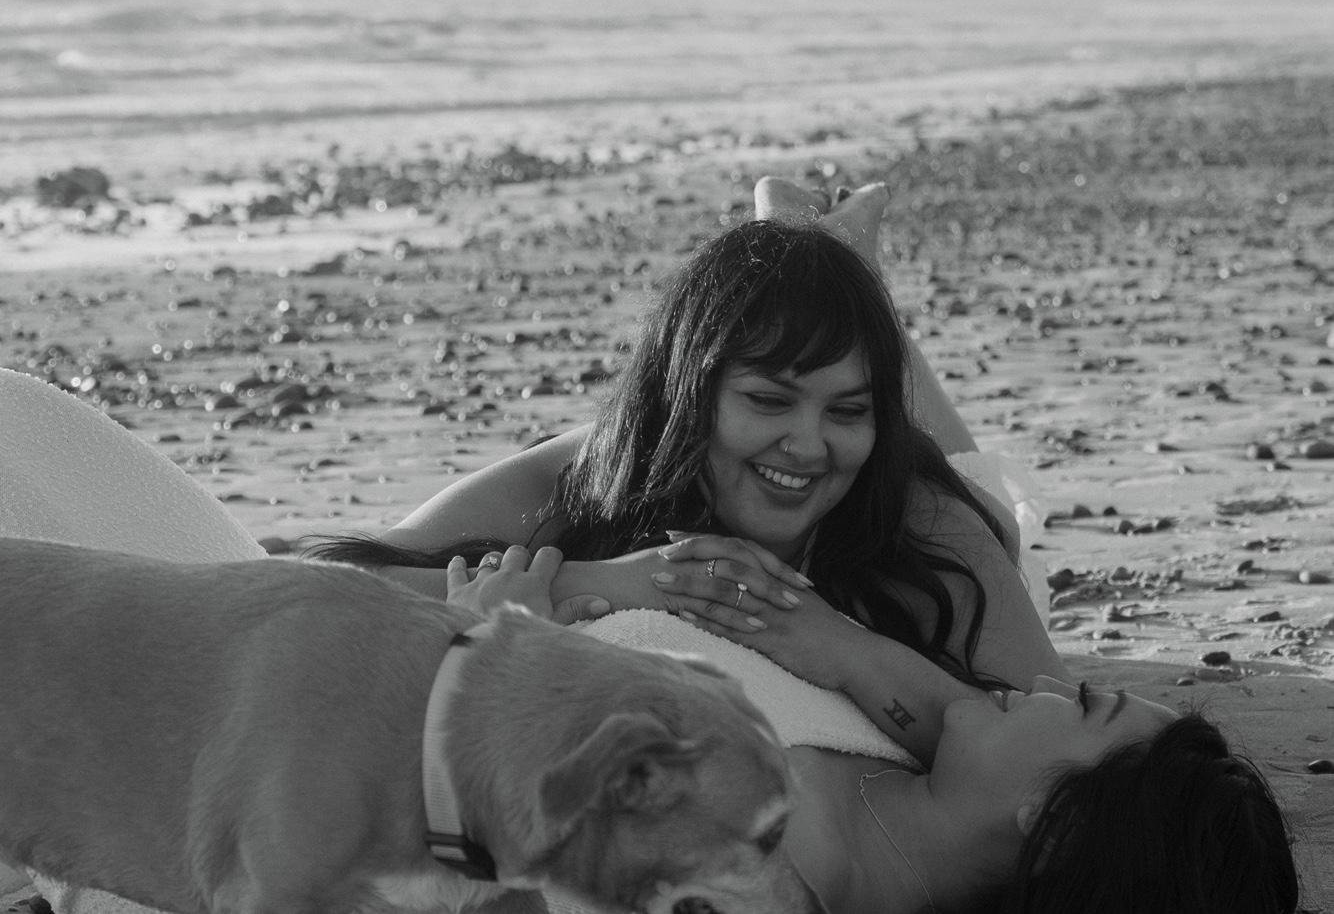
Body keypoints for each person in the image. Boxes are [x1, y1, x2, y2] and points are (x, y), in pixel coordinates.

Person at [307, 177, 1068, 753]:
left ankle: (843, 261)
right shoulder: (588, 474)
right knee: (832, 344)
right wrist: (615, 582)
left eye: (847, 412)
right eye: (768, 400)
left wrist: (844, 649)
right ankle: (816, 261)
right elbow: (321, 585)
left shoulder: (924, 517)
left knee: (978, 484)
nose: (807, 444)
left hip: (945, 499)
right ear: (688, 395)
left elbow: (1061, 734)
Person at [449, 546, 1300, 914]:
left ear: (1058, 818)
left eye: (1080, 705)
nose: (1043, 683)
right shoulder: (917, 755)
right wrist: (843, 643)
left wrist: (481, 653)